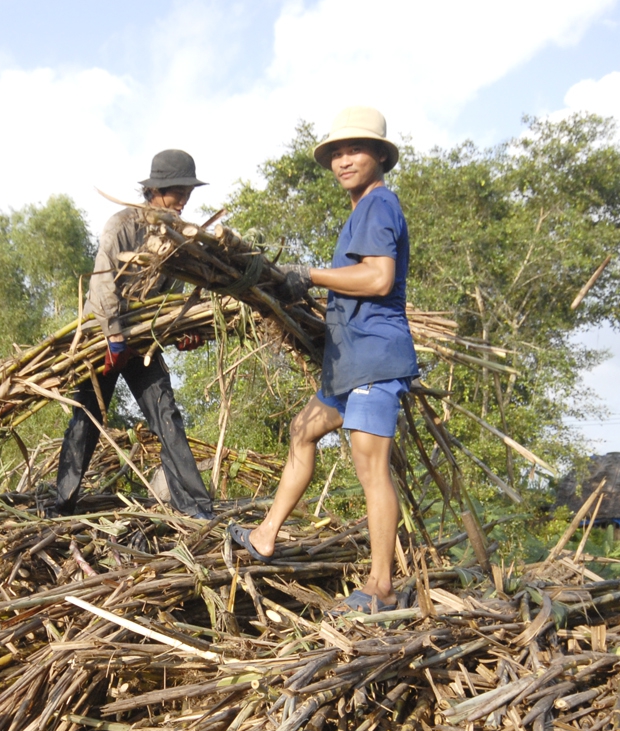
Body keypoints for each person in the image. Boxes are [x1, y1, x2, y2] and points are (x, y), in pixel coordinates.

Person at [229, 107, 419, 614]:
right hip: (347, 362)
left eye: (354, 150)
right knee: (303, 429)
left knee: (369, 466)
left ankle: (381, 586)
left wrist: (310, 275)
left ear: (380, 154)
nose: (342, 160)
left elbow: (378, 279)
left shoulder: (379, 206)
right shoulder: (361, 211)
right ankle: (265, 535)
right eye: (336, 153)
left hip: (375, 358)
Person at [52, 149, 215, 521]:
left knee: (166, 417)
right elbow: (102, 282)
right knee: (87, 418)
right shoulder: (122, 224)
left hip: (142, 339)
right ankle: (62, 504)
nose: (184, 199)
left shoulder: (176, 237)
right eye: (177, 191)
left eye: (188, 192)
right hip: (104, 337)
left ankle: (196, 507)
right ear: (155, 190)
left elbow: (170, 298)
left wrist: (181, 332)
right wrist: (113, 336)